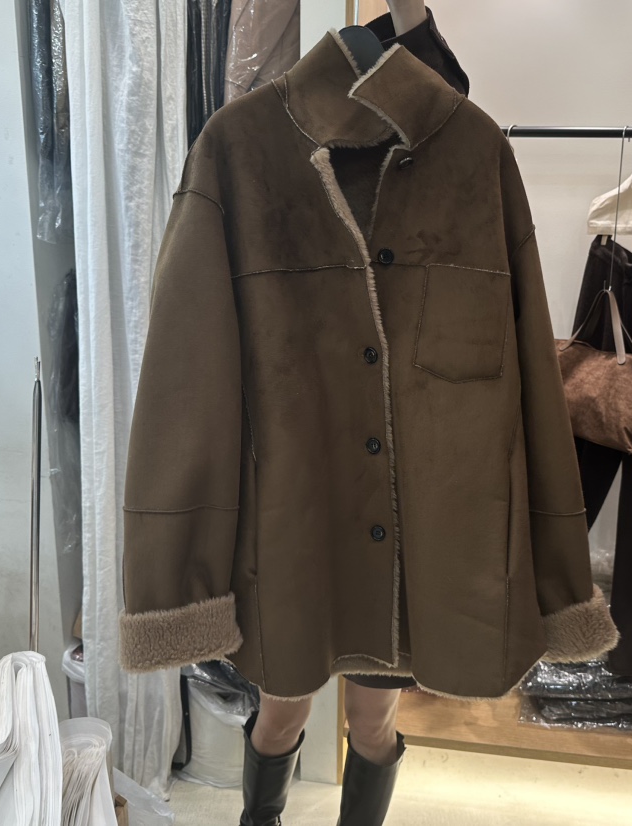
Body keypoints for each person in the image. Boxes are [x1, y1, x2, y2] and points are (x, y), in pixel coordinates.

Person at [237, 6, 469, 825]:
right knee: (281, 713)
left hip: (393, 501)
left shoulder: (441, 178)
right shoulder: (277, 159)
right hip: (303, 488)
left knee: (372, 721)